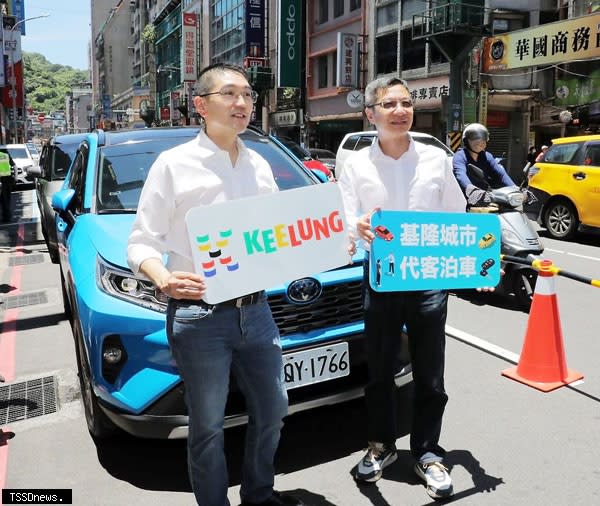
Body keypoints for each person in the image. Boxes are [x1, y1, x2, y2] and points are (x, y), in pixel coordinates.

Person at [127, 63, 302, 506]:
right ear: (201, 105)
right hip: (200, 315)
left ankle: (259, 494)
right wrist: (163, 277)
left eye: (248, 94)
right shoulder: (173, 165)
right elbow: (141, 242)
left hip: (258, 312)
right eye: (230, 94)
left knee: (274, 410)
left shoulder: (261, 164)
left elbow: (278, 235)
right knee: (206, 426)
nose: (242, 103)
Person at [337, 76, 467, 500]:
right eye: (389, 104)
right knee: (379, 372)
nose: (400, 110)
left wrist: (471, 267)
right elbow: (343, 219)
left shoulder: (435, 159)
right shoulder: (355, 164)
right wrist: (353, 226)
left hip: (428, 277)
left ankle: (428, 454)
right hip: (381, 278)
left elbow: (458, 214)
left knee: (431, 374)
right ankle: (381, 446)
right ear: (371, 114)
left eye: (406, 103)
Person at [452, 123, 515, 206]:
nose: (480, 142)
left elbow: (501, 175)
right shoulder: (460, 156)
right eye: (475, 139)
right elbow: (460, 174)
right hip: (465, 199)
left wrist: (515, 189)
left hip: (485, 199)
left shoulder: (487, 156)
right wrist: (472, 190)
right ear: (466, 141)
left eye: (483, 139)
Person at [0, 148, 16, 223]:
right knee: (6, 200)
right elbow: (14, 165)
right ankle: (7, 217)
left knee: (4, 199)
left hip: (3, 180)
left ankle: (6, 217)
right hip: (7, 179)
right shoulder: (5, 154)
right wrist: (16, 178)